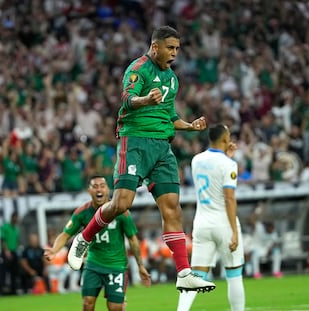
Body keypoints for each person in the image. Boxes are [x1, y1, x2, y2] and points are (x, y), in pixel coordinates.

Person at [67, 25, 215, 293]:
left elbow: (170, 117)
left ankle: (184, 273)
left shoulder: (172, 79)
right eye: (170, 48)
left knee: (172, 208)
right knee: (121, 204)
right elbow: (127, 100)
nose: (174, 54)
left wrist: (190, 126)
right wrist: (146, 99)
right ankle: (84, 237)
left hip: (162, 148)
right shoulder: (138, 68)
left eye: (177, 49)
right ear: (155, 46)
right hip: (134, 142)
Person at [44, 175, 151, 311]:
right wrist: (54, 250)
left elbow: (133, 239)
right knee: (87, 303)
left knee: (115, 307)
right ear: (89, 191)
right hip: (93, 265)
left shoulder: (121, 212)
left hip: (116, 266)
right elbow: (66, 234)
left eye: (102, 186)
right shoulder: (82, 213)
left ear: (107, 190)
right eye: (95, 186)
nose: (98, 189)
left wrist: (140, 265)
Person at [177, 124, 245, 311]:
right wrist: (234, 232)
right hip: (223, 223)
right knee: (234, 274)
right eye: (229, 135)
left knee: (195, 278)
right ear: (225, 139)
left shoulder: (196, 160)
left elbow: (212, 170)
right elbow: (229, 198)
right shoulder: (229, 164)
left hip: (202, 224)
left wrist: (225, 156)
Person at [0, 211, 20, 295]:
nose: (17, 219)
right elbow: (3, 240)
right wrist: (6, 251)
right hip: (6, 252)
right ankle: (0, 291)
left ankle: (13, 291)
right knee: (2, 273)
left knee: (14, 272)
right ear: (12, 217)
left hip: (14, 251)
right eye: (16, 218)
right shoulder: (5, 227)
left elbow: (16, 240)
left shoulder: (16, 229)